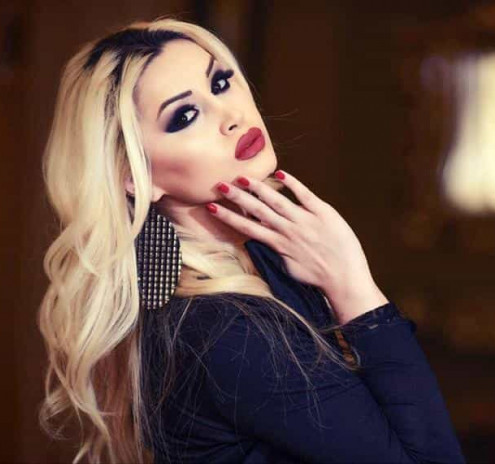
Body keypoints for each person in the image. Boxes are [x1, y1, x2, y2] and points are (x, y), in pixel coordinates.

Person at [37, 17, 466, 464]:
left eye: (221, 83)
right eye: (186, 116)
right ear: (135, 175)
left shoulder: (262, 263)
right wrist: (353, 285)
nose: (231, 117)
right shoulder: (224, 330)